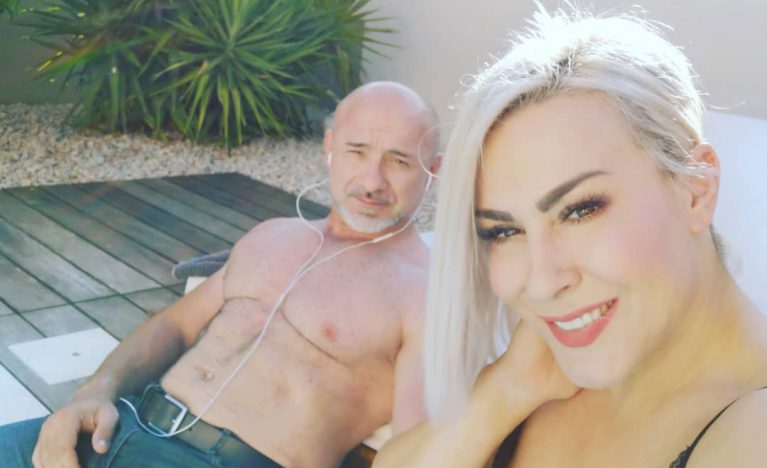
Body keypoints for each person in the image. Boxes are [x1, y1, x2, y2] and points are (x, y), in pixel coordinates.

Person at [373, 6, 767, 468]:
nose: (542, 282)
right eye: (504, 231)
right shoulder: (539, 374)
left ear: (697, 189)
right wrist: (508, 388)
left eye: (580, 210)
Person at [0, 81, 441, 468]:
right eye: (357, 151)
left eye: (399, 162)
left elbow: (414, 452)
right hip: (120, 427)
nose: (372, 181)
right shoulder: (274, 235)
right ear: (329, 147)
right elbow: (174, 325)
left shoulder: (426, 295)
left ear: (433, 171)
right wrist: (94, 394)